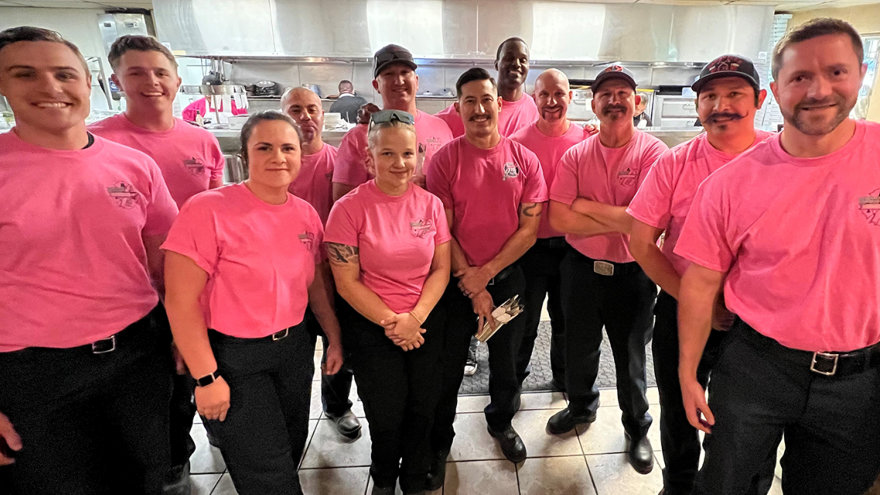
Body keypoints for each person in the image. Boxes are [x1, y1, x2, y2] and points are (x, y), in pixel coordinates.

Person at [675, 18, 880, 495]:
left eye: (835, 72)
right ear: (778, 88)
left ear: (861, 73)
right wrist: (687, 373)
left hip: (860, 376)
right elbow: (701, 282)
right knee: (726, 483)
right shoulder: (727, 186)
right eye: (800, 77)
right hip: (756, 367)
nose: (818, 90)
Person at [0, 26, 178, 494]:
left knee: (146, 477)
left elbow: (165, 265)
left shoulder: (134, 166)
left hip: (138, 353)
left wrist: (182, 336)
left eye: (64, 74)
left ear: (87, 82)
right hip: (31, 370)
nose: (51, 88)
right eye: (25, 74)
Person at [162, 111, 344, 495]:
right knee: (267, 474)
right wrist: (206, 377)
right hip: (234, 358)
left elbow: (315, 286)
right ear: (245, 155)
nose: (278, 156)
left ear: (300, 156)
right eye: (265, 147)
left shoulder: (306, 215)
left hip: (294, 351)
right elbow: (180, 301)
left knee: (289, 449)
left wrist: (333, 336)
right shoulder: (207, 210)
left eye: (287, 148)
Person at [627, 54, 774, 495]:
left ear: (760, 99)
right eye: (710, 95)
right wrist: (698, 303)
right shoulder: (674, 163)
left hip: (757, 319)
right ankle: (678, 485)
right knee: (677, 405)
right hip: (680, 302)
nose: (720, 105)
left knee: (747, 417)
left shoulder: (780, 160)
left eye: (734, 94)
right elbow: (640, 242)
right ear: (697, 106)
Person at [87, 33, 226, 494]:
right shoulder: (94, 143)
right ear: (114, 81)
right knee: (161, 384)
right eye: (136, 73)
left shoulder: (202, 141)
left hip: (201, 285)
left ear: (176, 79)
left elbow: (216, 211)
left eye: (160, 72)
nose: (151, 83)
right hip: (136, 292)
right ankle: (172, 460)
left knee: (202, 368)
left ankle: (206, 437)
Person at [426, 67, 547, 486]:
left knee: (507, 357)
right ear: (458, 108)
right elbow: (443, 229)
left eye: (486, 99)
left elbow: (528, 230)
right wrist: (470, 281)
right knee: (448, 363)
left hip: (509, 280)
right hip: (455, 283)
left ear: (499, 103)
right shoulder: (445, 160)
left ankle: (500, 422)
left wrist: (488, 275)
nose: (479, 109)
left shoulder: (525, 161)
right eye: (469, 101)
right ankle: (440, 438)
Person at [547, 65, 667, 474]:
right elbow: (560, 219)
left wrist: (584, 206)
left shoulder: (655, 153)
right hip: (580, 270)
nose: (614, 101)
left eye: (623, 93)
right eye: (606, 94)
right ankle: (581, 409)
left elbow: (646, 223)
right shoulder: (576, 154)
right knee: (579, 349)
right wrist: (623, 217)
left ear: (637, 102)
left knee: (631, 357)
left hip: (633, 274)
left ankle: (637, 428)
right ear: (593, 103)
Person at [325, 110, 451, 495]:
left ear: (419, 157)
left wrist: (415, 317)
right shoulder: (347, 209)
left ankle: (414, 479)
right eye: (389, 154)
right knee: (385, 414)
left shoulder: (431, 205)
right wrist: (394, 322)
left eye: (408, 154)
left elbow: (441, 269)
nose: (400, 164)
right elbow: (346, 283)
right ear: (369, 158)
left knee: (423, 409)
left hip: (425, 319)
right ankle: (383, 477)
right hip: (371, 325)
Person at [281, 86, 362, 440]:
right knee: (294, 355)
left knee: (337, 341)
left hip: (333, 273)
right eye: (296, 110)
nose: (306, 117)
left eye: (312, 109)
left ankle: (337, 406)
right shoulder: (278, 166)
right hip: (288, 280)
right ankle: (289, 418)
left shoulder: (337, 161)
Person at [509, 68, 592, 392]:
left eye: (559, 93)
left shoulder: (587, 138)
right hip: (530, 249)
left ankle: (564, 380)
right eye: (544, 94)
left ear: (571, 97)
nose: (552, 101)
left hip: (573, 247)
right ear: (534, 98)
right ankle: (514, 383)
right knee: (523, 324)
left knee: (567, 323)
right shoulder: (517, 143)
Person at [332, 44, 453, 201]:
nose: (398, 80)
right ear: (376, 85)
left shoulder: (441, 128)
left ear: (416, 81)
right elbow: (343, 200)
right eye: (389, 74)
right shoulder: (357, 137)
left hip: (432, 222)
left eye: (405, 73)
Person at [436, 37, 539, 138]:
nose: (516, 64)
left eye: (523, 60)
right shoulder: (475, 104)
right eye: (509, 58)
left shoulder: (533, 108)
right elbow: (432, 124)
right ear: (496, 65)